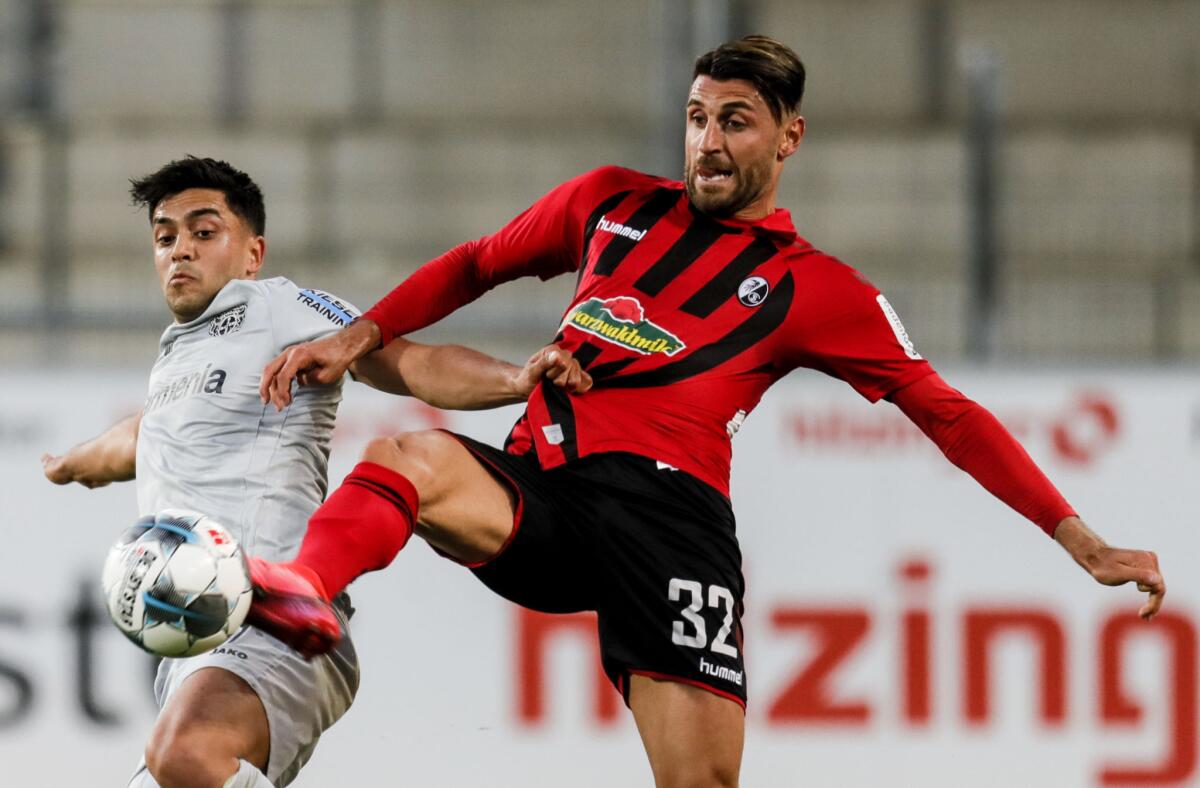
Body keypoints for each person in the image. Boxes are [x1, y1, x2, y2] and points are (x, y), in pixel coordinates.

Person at [248, 36, 1166, 788]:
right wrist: (361, 336)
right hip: (549, 490)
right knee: (412, 455)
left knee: (701, 784)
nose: (708, 143)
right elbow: (476, 263)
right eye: (697, 119)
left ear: (788, 138)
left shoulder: (818, 288)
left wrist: (1078, 538)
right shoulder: (609, 202)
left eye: (735, 122)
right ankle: (309, 593)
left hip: (670, 525)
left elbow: (947, 413)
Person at [41, 156, 590, 788]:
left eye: (203, 231)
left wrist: (515, 380)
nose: (180, 251)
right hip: (192, 647)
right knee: (175, 767)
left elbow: (407, 363)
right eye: (165, 238)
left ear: (253, 253)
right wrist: (70, 465)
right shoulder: (174, 363)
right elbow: (134, 439)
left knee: (183, 754)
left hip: (274, 616)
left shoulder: (278, 306)